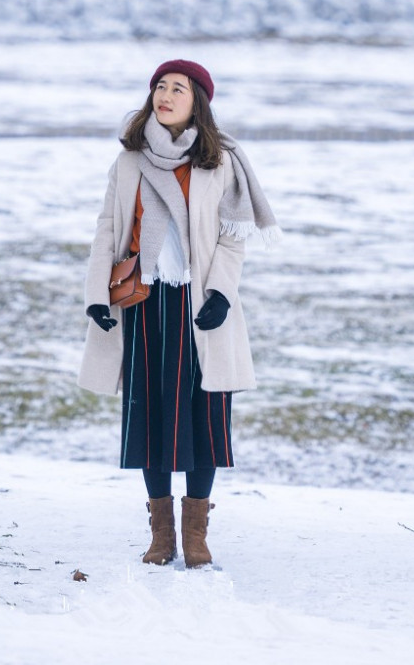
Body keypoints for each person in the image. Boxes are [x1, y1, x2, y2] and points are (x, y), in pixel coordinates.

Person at [79, 59, 279, 568]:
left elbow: (233, 239)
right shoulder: (129, 162)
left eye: (179, 89)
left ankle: (196, 534)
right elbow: (108, 230)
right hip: (145, 303)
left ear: (198, 103)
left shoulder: (219, 162)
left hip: (200, 306)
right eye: (160, 87)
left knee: (204, 416)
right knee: (150, 417)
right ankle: (161, 534)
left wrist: (221, 295)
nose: (166, 95)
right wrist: (96, 296)